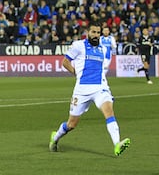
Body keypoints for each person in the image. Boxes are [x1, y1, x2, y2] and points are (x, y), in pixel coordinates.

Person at [48, 21, 130, 156]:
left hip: (100, 87)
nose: (96, 35)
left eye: (98, 33)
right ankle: (55, 138)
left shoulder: (103, 48)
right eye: (93, 32)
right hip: (82, 90)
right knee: (71, 124)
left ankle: (117, 144)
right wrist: (76, 73)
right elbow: (65, 62)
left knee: (109, 111)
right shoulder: (78, 45)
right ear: (87, 32)